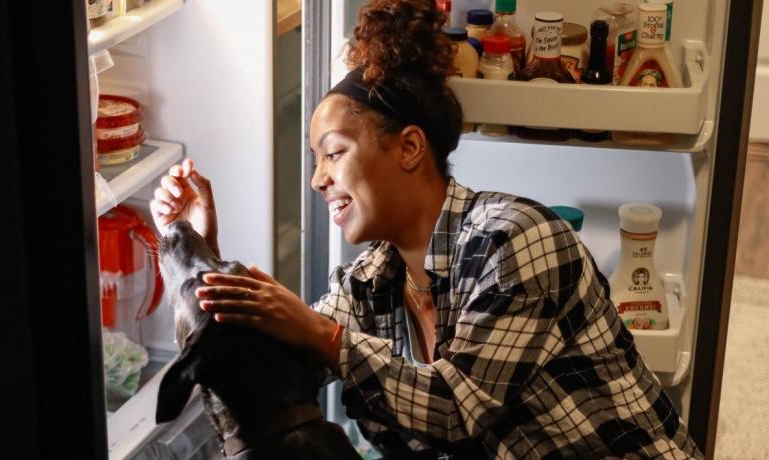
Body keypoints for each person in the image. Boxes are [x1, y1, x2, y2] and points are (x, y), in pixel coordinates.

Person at [150, 1, 702, 458]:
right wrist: (202, 252)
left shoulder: (516, 238)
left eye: (333, 153)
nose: (317, 179)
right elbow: (270, 375)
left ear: (410, 147)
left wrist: (322, 334)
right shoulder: (369, 285)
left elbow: (457, 409)